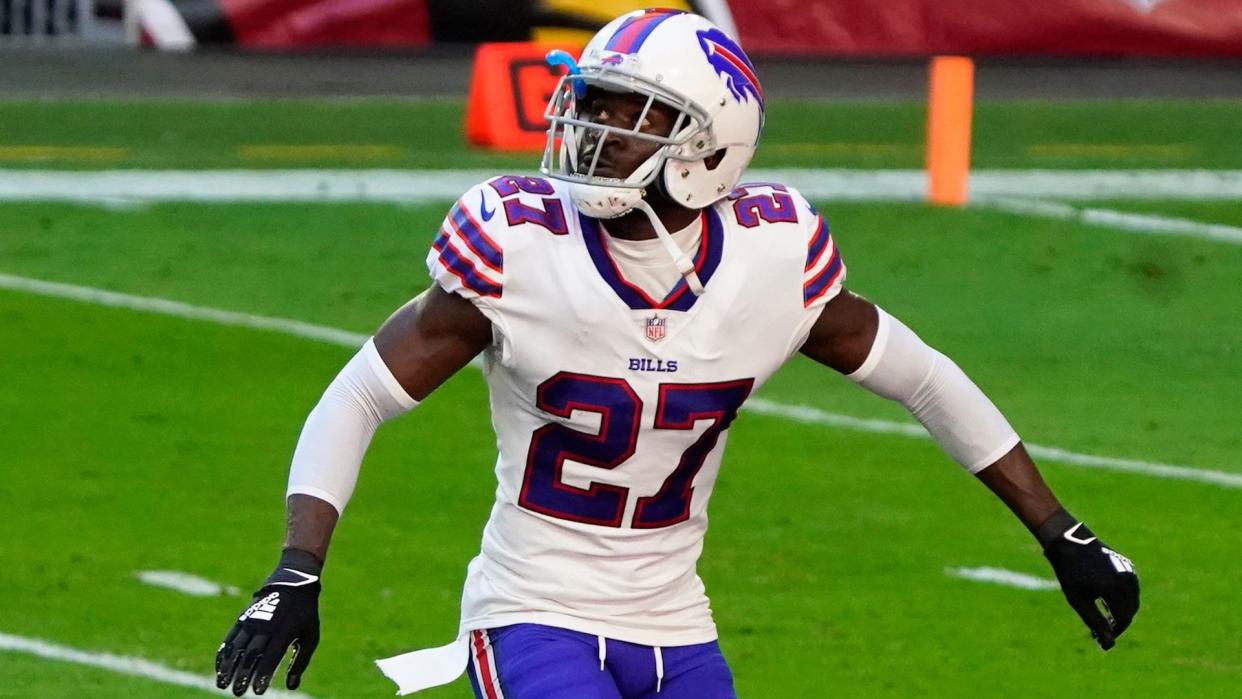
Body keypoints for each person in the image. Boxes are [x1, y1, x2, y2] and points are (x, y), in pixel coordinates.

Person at [213, 9, 1140, 698]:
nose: (591, 133)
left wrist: (1061, 532)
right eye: (592, 105)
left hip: (676, 620)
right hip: (534, 610)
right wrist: (297, 566)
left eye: (628, 114)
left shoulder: (777, 257)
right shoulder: (520, 241)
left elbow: (925, 379)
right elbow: (359, 395)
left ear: (707, 144)